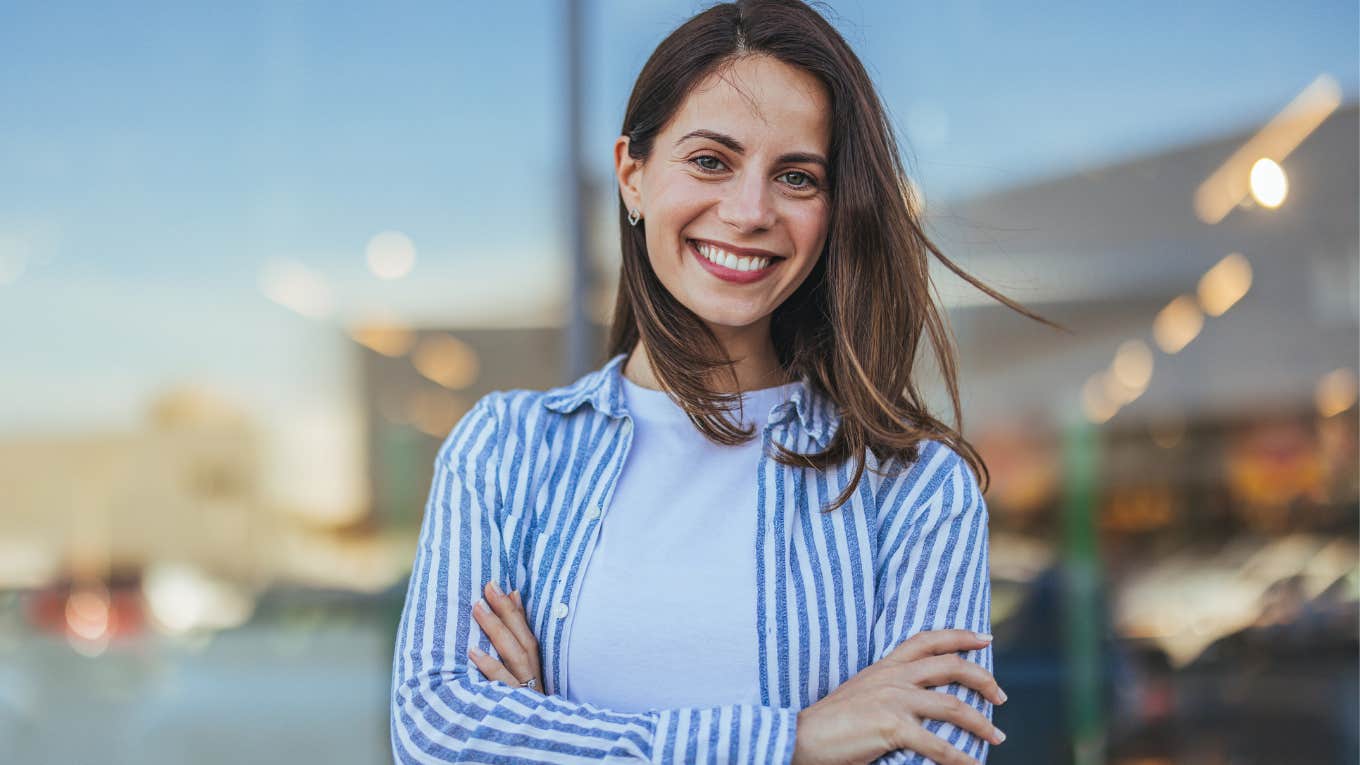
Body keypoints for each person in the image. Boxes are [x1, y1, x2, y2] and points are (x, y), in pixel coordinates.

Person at [391, 1, 1057, 762]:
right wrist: (798, 740)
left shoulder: (914, 490)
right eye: (711, 160)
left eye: (798, 177)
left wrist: (548, 732)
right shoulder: (505, 450)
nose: (749, 211)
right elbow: (440, 731)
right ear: (632, 176)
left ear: (835, 210)